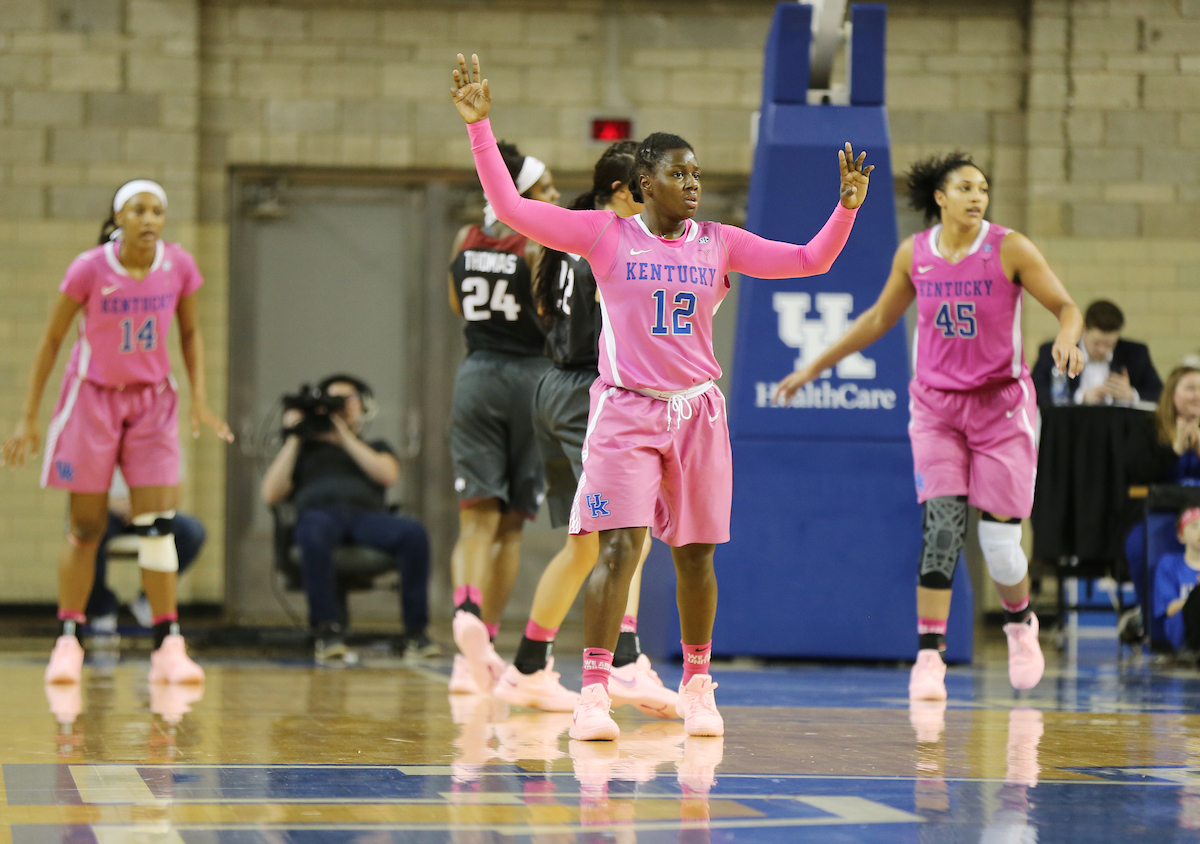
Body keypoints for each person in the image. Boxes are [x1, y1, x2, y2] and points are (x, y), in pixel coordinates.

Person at [451, 53, 871, 739]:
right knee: (616, 549)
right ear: (643, 183)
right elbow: (509, 207)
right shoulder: (604, 235)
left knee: (695, 555)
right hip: (625, 411)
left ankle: (699, 682)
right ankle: (592, 691)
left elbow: (809, 260)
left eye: (698, 173)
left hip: (698, 411)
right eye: (678, 173)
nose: (693, 184)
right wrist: (480, 128)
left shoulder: (718, 242)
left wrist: (844, 209)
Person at [775, 151, 1084, 701]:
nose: (977, 197)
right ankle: (929, 654)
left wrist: (1066, 336)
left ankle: (1020, 622)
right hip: (937, 409)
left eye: (983, 189)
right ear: (939, 197)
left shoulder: (1008, 247)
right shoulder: (914, 254)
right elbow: (876, 319)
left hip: (1001, 409)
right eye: (965, 187)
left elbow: (1067, 306)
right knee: (941, 529)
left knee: (1000, 546)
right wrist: (812, 367)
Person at [2, 178, 231, 686]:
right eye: (139, 210)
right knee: (86, 527)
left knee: (158, 524)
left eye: (157, 211)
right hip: (93, 397)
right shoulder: (89, 268)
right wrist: (28, 415)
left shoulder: (179, 265)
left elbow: (190, 333)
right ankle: (69, 640)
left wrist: (201, 399)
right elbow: (52, 339)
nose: (150, 219)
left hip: (152, 402)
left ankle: (168, 644)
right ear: (119, 218)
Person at [490, 141, 676, 718]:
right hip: (588, 397)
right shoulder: (607, 242)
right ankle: (623, 660)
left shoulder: (571, 240)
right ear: (621, 193)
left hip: (554, 386)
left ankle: (526, 668)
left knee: (582, 548)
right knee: (628, 535)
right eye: (644, 192)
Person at [446, 131, 559, 695]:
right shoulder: (538, 247)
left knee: (475, 518)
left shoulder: (463, 240)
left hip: (476, 374)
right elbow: (550, 316)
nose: (557, 195)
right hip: (531, 380)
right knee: (512, 526)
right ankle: (484, 644)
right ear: (519, 193)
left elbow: (456, 307)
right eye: (546, 187)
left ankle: (465, 622)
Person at [260, 375, 434, 664]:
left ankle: (416, 633)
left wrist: (344, 438)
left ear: (361, 406)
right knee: (313, 531)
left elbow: (387, 474)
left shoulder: (375, 445)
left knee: (413, 532)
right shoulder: (304, 449)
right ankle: (326, 630)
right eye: (333, 401)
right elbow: (270, 494)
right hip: (319, 516)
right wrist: (295, 437)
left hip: (367, 518)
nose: (340, 407)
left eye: (347, 400)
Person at [1121, 365, 1200, 625]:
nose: (1197, 395)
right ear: (1171, 393)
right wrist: (1174, 449)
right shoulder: (1147, 426)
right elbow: (1139, 473)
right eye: (1190, 388)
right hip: (1156, 516)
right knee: (1140, 544)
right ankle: (1153, 626)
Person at [86, 467, 207, 634]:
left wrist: (143, 505)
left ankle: (150, 599)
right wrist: (114, 503)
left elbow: (176, 489)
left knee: (191, 531)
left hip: (151, 509)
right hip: (108, 510)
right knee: (87, 533)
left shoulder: (165, 442)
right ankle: (101, 609)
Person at [1031, 298, 1162, 406]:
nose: (1102, 350)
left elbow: (1160, 393)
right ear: (1084, 329)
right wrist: (1080, 397)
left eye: (1110, 344)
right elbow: (1035, 392)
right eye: (1097, 343)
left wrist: (1131, 394)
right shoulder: (1056, 351)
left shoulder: (1135, 354)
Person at [1153, 507, 1200, 654]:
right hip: (1183, 630)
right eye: (1194, 526)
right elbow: (1170, 608)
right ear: (1181, 535)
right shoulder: (1169, 564)